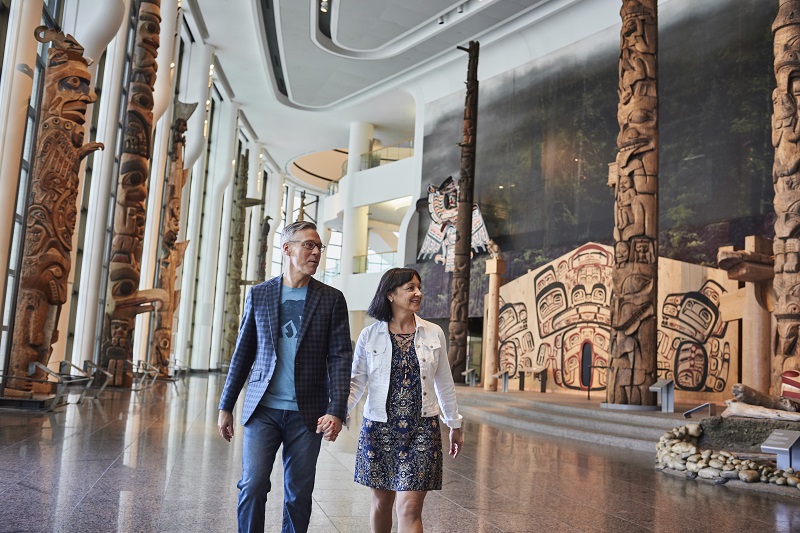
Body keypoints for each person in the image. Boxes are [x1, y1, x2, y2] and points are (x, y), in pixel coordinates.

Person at [217, 220, 352, 533]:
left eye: (319, 247)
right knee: (252, 485)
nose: (316, 252)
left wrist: (336, 409)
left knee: (298, 493)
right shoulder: (260, 294)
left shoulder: (331, 299)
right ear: (287, 248)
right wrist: (226, 405)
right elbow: (243, 353)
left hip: (308, 413)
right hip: (262, 409)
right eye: (309, 245)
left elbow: (340, 357)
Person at [344, 267, 463, 533]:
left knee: (409, 508)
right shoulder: (369, 335)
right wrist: (337, 413)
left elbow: (444, 382)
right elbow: (357, 382)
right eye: (410, 288)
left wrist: (454, 423)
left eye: (419, 287)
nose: (418, 293)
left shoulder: (434, 333)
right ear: (390, 294)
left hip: (422, 429)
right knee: (381, 503)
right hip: (379, 429)